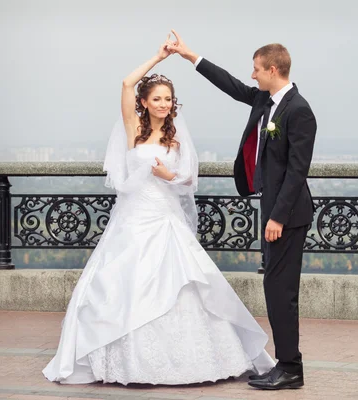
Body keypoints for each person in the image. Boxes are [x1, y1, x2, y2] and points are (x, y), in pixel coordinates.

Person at [42, 36, 275, 386]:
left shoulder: (175, 139)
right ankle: (121, 359)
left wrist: (172, 175)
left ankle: (192, 360)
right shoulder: (133, 131)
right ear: (145, 103)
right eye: (157, 99)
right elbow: (125, 82)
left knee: (184, 284)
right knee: (120, 284)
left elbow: (188, 179)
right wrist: (158, 57)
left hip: (165, 219)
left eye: (168, 99)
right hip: (133, 219)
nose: (164, 104)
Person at [167, 30, 317, 390]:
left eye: (256, 70)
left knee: (281, 291)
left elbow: (298, 172)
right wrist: (190, 56)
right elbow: (231, 85)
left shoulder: (299, 111)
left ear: (273, 69)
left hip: (288, 216)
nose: (252, 75)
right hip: (273, 211)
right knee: (274, 288)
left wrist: (277, 217)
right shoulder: (266, 102)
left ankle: (290, 368)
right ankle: (286, 364)